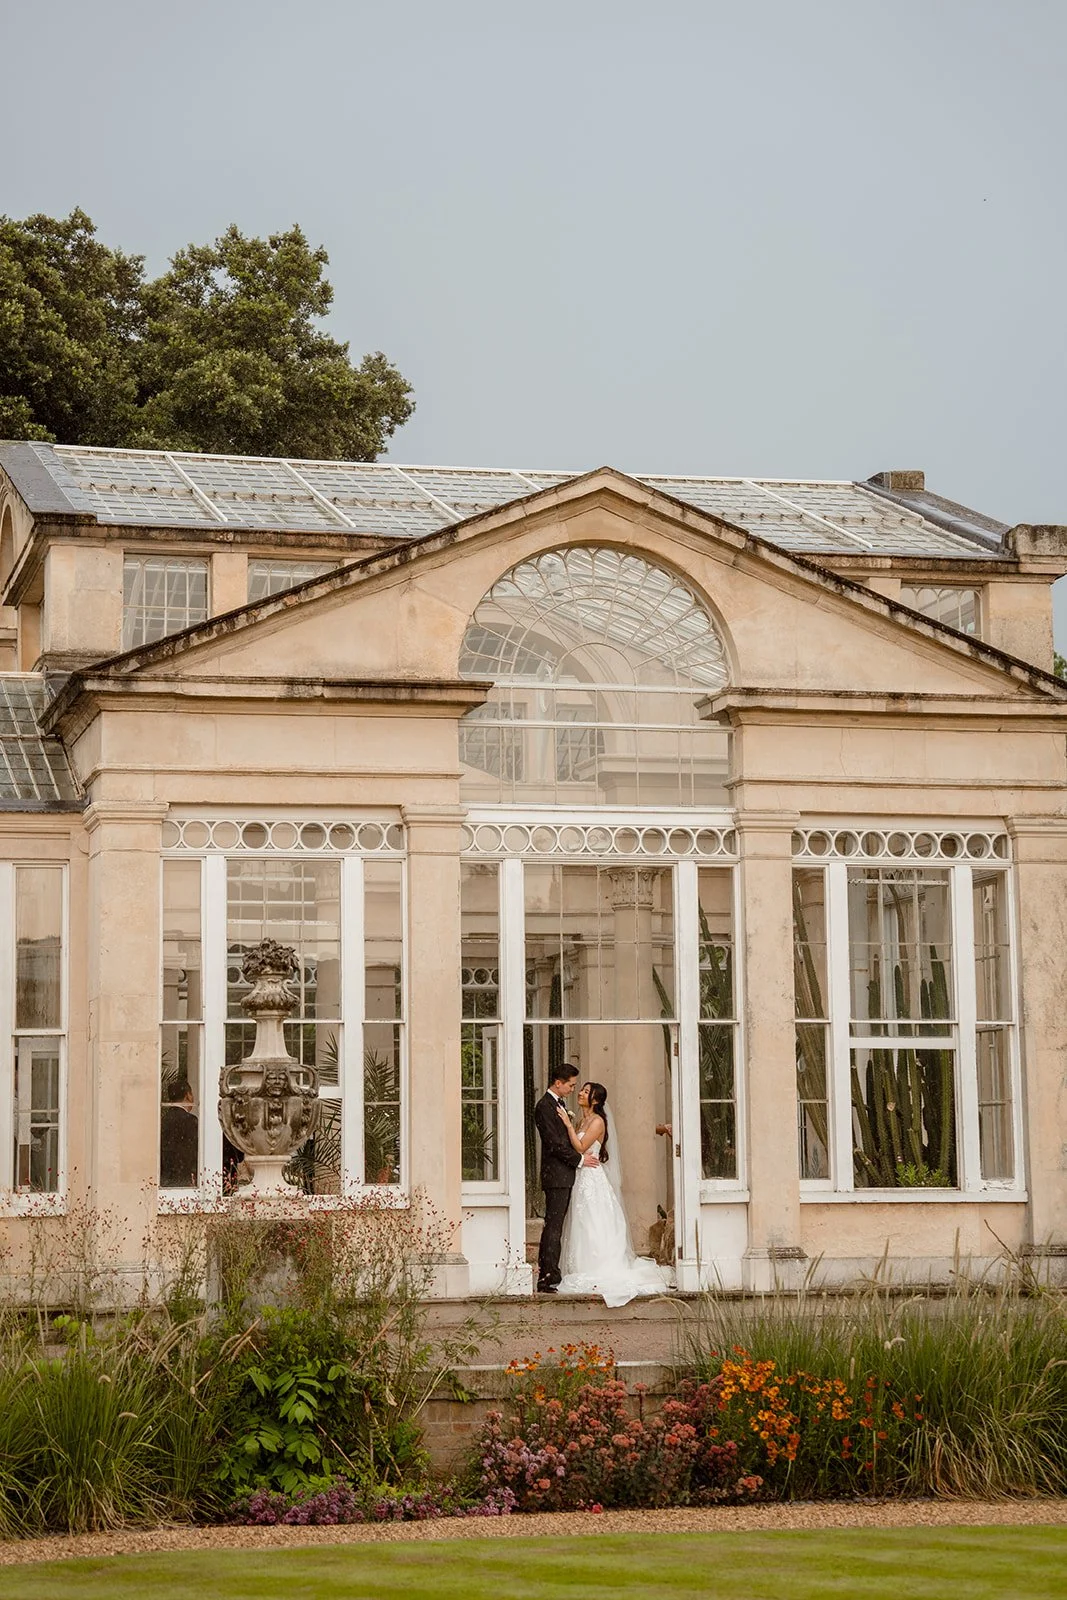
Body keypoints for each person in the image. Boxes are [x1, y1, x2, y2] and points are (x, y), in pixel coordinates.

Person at [555, 1081, 674, 1307]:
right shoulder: (583, 1120)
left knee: (594, 1221)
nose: (580, 1093)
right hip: (581, 1177)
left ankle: (598, 1266)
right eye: (581, 1090)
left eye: (586, 1092)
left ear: (596, 1100)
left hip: (592, 1179)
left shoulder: (598, 1121)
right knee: (582, 1221)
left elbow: (580, 1147)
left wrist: (568, 1126)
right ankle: (581, 1265)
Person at [533, 1063, 596, 1293]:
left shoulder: (558, 1105)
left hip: (564, 1175)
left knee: (557, 1225)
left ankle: (552, 1271)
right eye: (570, 1085)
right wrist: (579, 1159)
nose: (573, 1089)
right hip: (556, 1176)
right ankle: (548, 1275)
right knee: (554, 1225)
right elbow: (555, 1144)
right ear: (558, 1083)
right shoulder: (545, 1107)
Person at [159, 1076, 199, 1188]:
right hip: (183, 1176)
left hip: (165, 1175)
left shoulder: (164, 1119)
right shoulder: (190, 1120)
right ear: (188, 1095)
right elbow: (193, 1150)